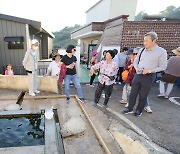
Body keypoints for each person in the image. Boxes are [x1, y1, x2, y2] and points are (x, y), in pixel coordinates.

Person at [123, 32, 167, 117]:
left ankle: (139, 110)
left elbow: (163, 67)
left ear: (154, 41)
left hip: (149, 76)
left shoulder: (161, 52)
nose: (144, 43)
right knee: (133, 93)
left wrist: (149, 71)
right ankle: (130, 108)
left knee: (143, 95)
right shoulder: (142, 50)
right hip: (138, 74)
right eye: (144, 41)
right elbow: (136, 61)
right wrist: (136, 68)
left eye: (146, 41)